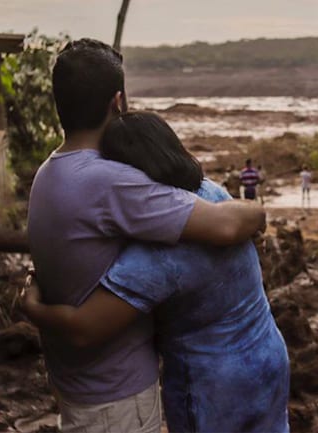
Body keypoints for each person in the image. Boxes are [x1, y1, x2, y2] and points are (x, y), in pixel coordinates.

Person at [26, 39, 266, 433]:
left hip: (75, 385)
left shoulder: (49, 173)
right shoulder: (109, 182)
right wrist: (258, 211)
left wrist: (32, 308)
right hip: (117, 399)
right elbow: (226, 225)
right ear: (118, 102)